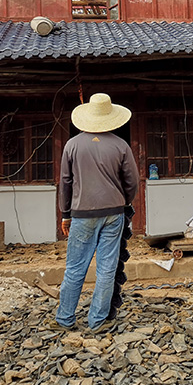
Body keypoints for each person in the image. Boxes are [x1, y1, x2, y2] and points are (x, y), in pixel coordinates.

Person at [55, 93, 139, 332]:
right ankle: (97, 321)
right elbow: (132, 182)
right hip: (114, 213)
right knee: (106, 267)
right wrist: (123, 201)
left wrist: (65, 213)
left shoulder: (71, 145)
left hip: (81, 214)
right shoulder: (121, 145)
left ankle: (65, 319)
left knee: (74, 267)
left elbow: (66, 182)